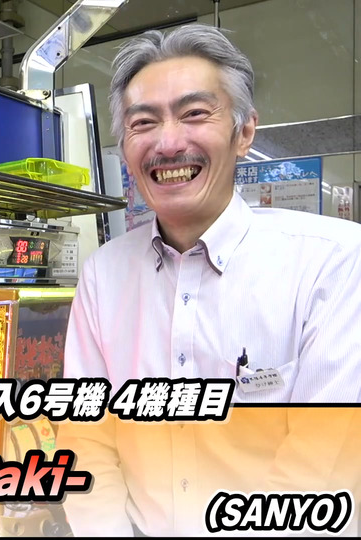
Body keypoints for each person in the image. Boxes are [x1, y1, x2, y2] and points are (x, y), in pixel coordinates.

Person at [58, 24, 361, 536]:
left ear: (244, 133)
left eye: (195, 113)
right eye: (143, 122)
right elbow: (87, 440)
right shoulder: (103, 274)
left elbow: (323, 461)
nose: (168, 142)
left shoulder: (333, 261)